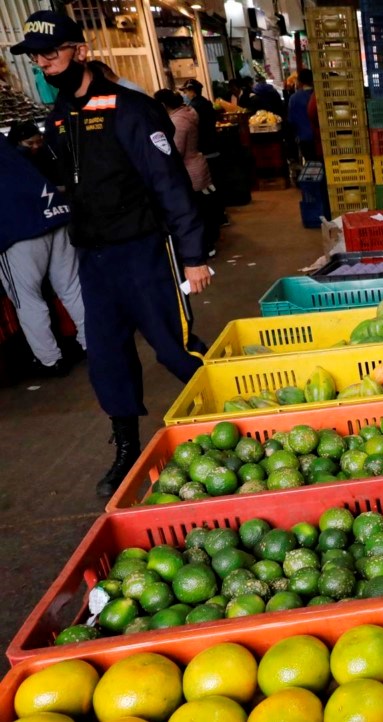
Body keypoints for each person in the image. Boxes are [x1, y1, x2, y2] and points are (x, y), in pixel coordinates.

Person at [13, 11, 213, 497]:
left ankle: (230, 414)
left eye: (52, 53)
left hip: (145, 250)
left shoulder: (131, 109)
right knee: (106, 356)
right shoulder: (59, 117)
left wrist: (193, 254)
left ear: (79, 51)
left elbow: (170, 184)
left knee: (173, 346)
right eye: (36, 57)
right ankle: (126, 447)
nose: (44, 64)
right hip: (95, 259)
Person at [0, 139, 86, 377]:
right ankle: (94, 343)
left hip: (18, 231)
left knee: (26, 299)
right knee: (71, 288)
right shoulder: (6, 148)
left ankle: (50, 361)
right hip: (56, 216)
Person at [156, 89, 220, 258]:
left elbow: (176, 151)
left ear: (163, 105)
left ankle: (206, 245)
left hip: (190, 171)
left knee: (196, 211)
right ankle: (207, 243)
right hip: (197, 165)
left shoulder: (178, 121)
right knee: (202, 208)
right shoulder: (188, 113)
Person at [179, 79, 218, 156]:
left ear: (192, 91)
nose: (185, 95)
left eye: (186, 92)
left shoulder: (194, 107)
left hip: (203, 146)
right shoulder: (206, 102)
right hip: (212, 143)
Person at [288, 68, 316, 161]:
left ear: (299, 81)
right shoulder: (318, 95)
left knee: (311, 164)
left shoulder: (294, 98)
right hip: (320, 139)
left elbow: (291, 120)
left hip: (304, 138)